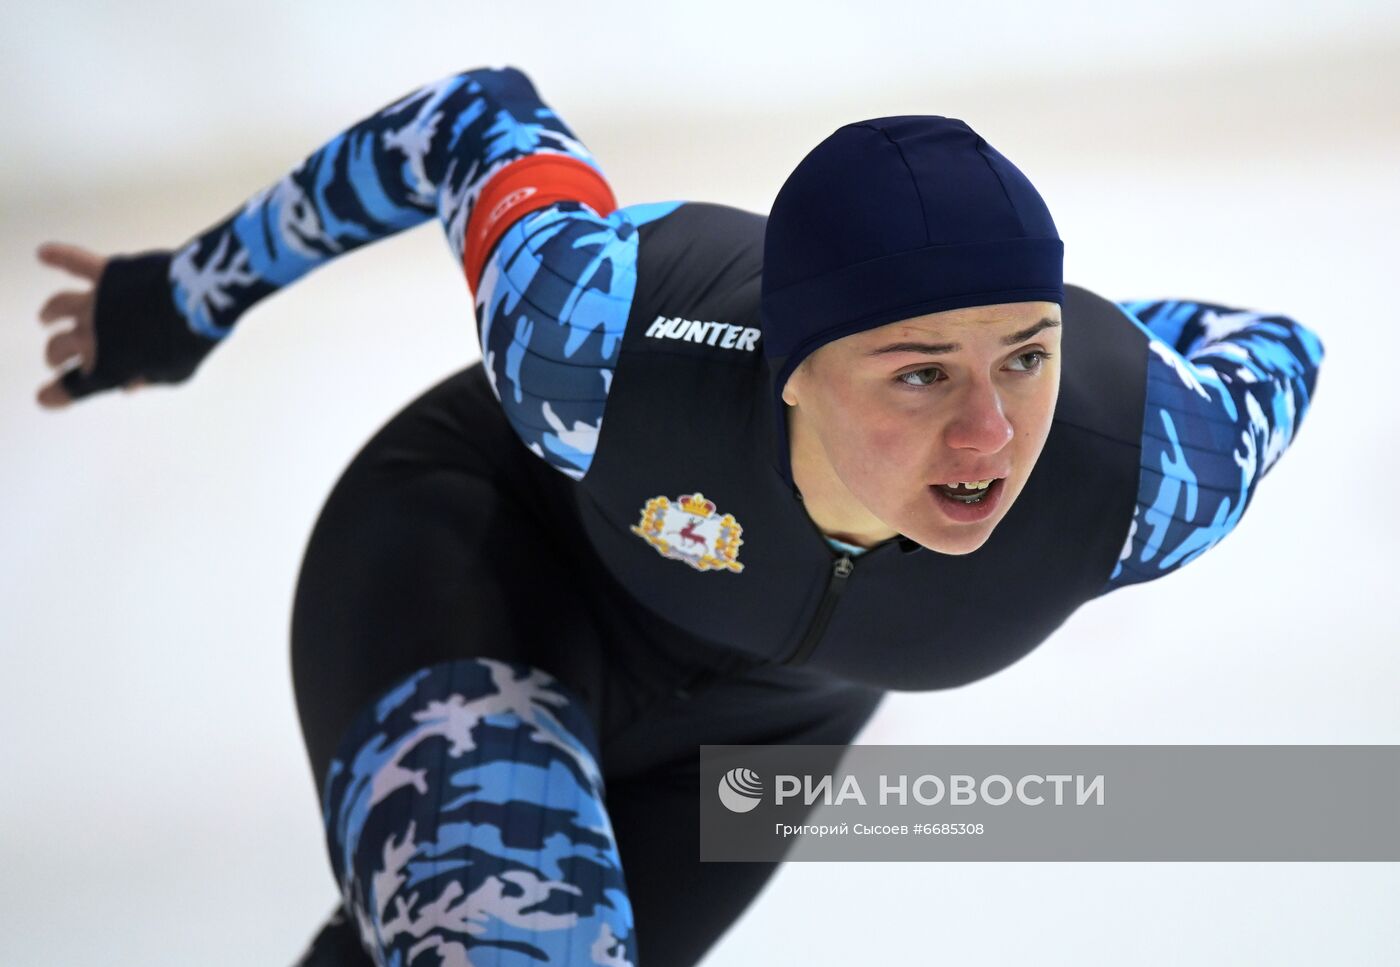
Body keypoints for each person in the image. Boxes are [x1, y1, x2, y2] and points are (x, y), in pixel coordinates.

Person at [33, 65, 1325, 966]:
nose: (987, 435)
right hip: (496, 579)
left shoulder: (1150, 470)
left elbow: (1275, 343)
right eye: (920, 373)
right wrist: (186, 296)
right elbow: (470, 118)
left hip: (767, 730)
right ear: (789, 364)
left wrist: (1089, 350)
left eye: (1026, 360)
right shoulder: (598, 336)